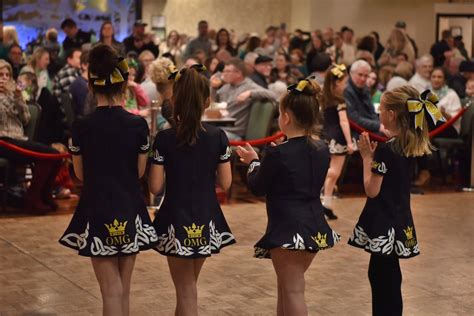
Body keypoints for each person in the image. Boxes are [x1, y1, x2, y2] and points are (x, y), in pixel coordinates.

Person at [59, 44, 158, 315]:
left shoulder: (81, 126)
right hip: (130, 207)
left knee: (109, 291)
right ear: (123, 84)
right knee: (122, 289)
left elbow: (79, 175)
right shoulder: (138, 125)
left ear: (91, 85)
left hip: (97, 207)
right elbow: (139, 173)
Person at [236, 78, 339, 316]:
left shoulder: (276, 152)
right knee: (287, 288)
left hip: (287, 227)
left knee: (293, 290)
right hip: (314, 223)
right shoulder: (323, 149)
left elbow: (258, 187)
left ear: (286, 117)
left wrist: (253, 162)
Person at [348, 86, 443, 315]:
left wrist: (366, 158)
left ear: (391, 115)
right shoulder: (409, 146)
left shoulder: (386, 150)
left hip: (384, 221)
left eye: (381, 109)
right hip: (399, 217)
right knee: (390, 277)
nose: (378, 113)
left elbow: (372, 190)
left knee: (381, 279)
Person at [148, 64, 235, 315]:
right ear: (207, 101)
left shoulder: (164, 139)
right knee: (188, 288)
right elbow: (226, 183)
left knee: (186, 290)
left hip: (176, 217)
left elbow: (155, 186)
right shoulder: (218, 136)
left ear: (174, 100)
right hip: (207, 216)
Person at [0, 59, 61, 212]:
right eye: (1, 75)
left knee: (55, 155)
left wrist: (18, 97)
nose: (5, 78)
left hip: (18, 139)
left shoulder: (14, 95)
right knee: (47, 155)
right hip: (3, 140)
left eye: (7, 75)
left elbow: (26, 119)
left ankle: (44, 195)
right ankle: (32, 198)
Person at [211, 58, 277, 140]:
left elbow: (273, 95)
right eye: (224, 71)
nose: (223, 74)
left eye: (227, 71)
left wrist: (250, 93)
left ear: (238, 73)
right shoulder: (225, 87)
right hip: (219, 128)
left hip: (234, 133)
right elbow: (212, 106)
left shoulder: (249, 86)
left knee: (206, 136)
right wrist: (213, 88)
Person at [321, 64, 355, 220]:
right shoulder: (339, 100)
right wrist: (349, 142)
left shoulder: (325, 98)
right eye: (345, 82)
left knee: (333, 173)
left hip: (327, 135)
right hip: (338, 137)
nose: (346, 85)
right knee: (334, 172)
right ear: (337, 83)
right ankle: (324, 201)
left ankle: (326, 204)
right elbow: (344, 122)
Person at [344, 60, 390, 136]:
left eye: (366, 76)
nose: (363, 79)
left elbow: (372, 113)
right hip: (356, 130)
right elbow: (354, 118)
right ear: (351, 73)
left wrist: (380, 125)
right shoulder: (346, 90)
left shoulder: (365, 89)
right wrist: (378, 126)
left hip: (368, 126)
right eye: (360, 75)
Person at [69, 50, 95, 118]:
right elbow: (85, 112)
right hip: (85, 123)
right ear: (84, 65)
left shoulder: (83, 82)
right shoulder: (80, 85)